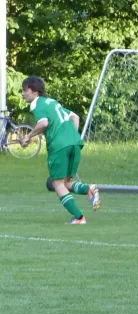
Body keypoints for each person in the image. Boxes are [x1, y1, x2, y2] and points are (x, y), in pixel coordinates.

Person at [20, 76, 100, 224]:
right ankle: (88, 188)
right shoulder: (52, 102)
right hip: (75, 143)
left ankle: (79, 217)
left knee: (57, 184)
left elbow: (43, 123)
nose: (23, 93)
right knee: (65, 182)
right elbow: (75, 117)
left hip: (59, 146)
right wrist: (71, 137)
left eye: (25, 90)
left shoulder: (36, 105)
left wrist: (28, 136)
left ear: (35, 92)